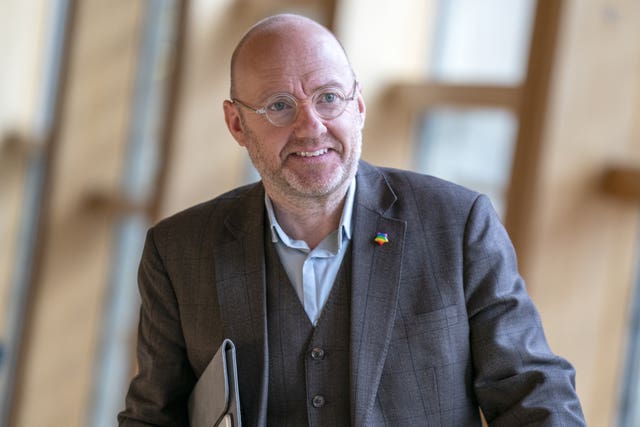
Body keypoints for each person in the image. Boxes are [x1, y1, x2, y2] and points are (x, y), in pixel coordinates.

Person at [118, 13, 586, 426]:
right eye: (279, 105)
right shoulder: (177, 253)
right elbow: (153, 418)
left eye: (328, 97)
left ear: (358, 106)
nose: (311, 126)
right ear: (237, 124)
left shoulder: (458, 225)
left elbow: (533, 392)